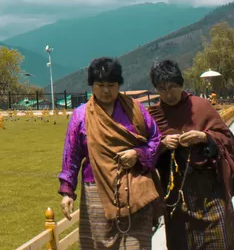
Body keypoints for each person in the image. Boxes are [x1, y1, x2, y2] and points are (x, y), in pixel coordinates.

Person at [59, 57, 161, 250]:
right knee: (99, 244)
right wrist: (67, 191)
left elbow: (156, 140)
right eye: (100, 85)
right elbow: (71, 155)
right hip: (96, 191)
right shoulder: (81, 116)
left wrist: (138, 154)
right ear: (92, 85)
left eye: (111, 85)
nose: (106, 91)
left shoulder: (135, 110)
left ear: (119, 85)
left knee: (136, 245)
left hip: (135, 190)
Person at [148, 60, 234, 250]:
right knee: (182, 243)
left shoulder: (200, 106)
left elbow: (227, 139)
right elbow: (147, 151)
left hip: (210, 190)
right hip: (177, 195)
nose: (168, 93)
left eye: (173, 87)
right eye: (162, 88)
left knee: (221, 241)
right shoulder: (155, 115)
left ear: (181, 84)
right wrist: (163, 145)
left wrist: (205, 137)